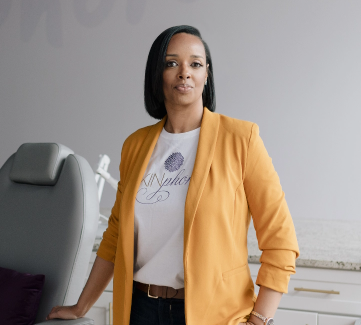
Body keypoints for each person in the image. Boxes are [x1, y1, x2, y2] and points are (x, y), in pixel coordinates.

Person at [46, 25, 300, 325]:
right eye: (171, 63)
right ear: (158, 75)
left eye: (195, 63)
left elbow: (281, 240)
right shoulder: (135, 145)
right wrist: (81, 306)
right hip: (139, 310)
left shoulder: (241, 139)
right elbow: (115, 236)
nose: (184, 72)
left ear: (207, 75)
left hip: (214, 315)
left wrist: (260, 319)